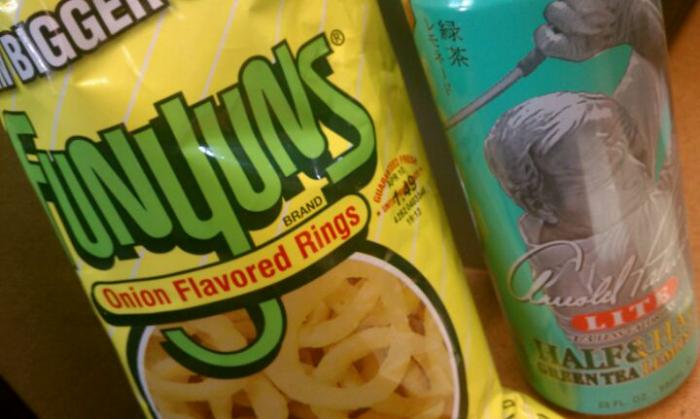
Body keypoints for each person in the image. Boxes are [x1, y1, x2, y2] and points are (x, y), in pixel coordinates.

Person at [484, 0, 692, 347]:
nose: (638, 166)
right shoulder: (626, 230)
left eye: (624, 150)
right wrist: (635, 21)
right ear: (540, 203)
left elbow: (642, 93)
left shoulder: (573, 206)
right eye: (605, 167)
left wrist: (634, 21)